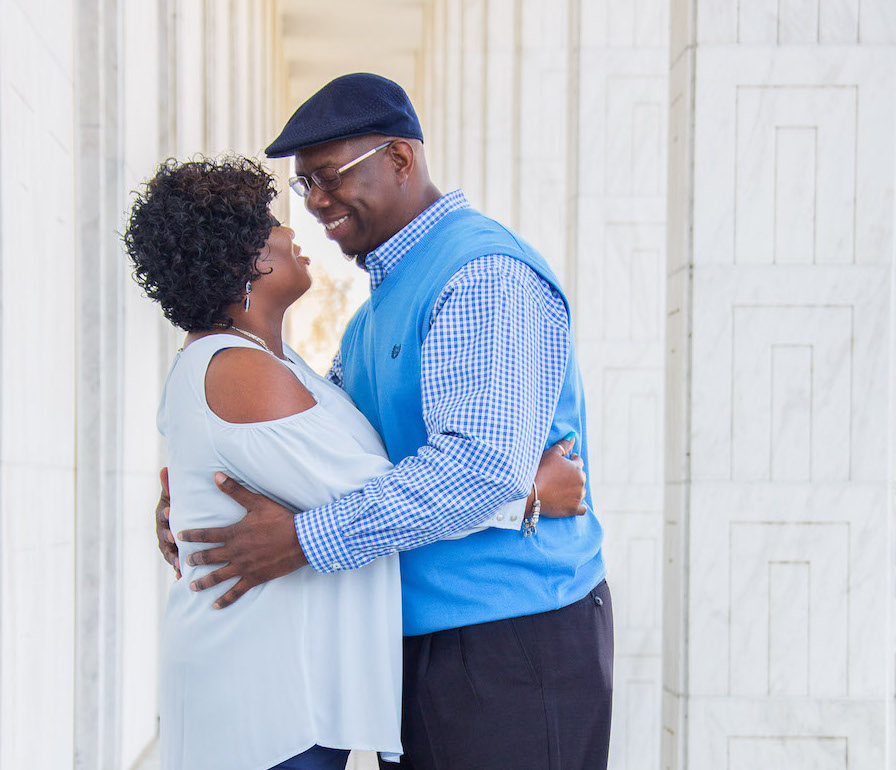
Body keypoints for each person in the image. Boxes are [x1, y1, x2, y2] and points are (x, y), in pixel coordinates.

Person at [166, 73, 612, 768]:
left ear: (400, 160)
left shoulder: (481, 273)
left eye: (327, 178)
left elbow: (479, 467)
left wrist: (304, 540)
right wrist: (197, 499)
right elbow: (328, 461)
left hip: (510, 637)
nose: (315, 203)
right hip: (420, 641)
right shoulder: (373, 315)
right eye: (303, 187)